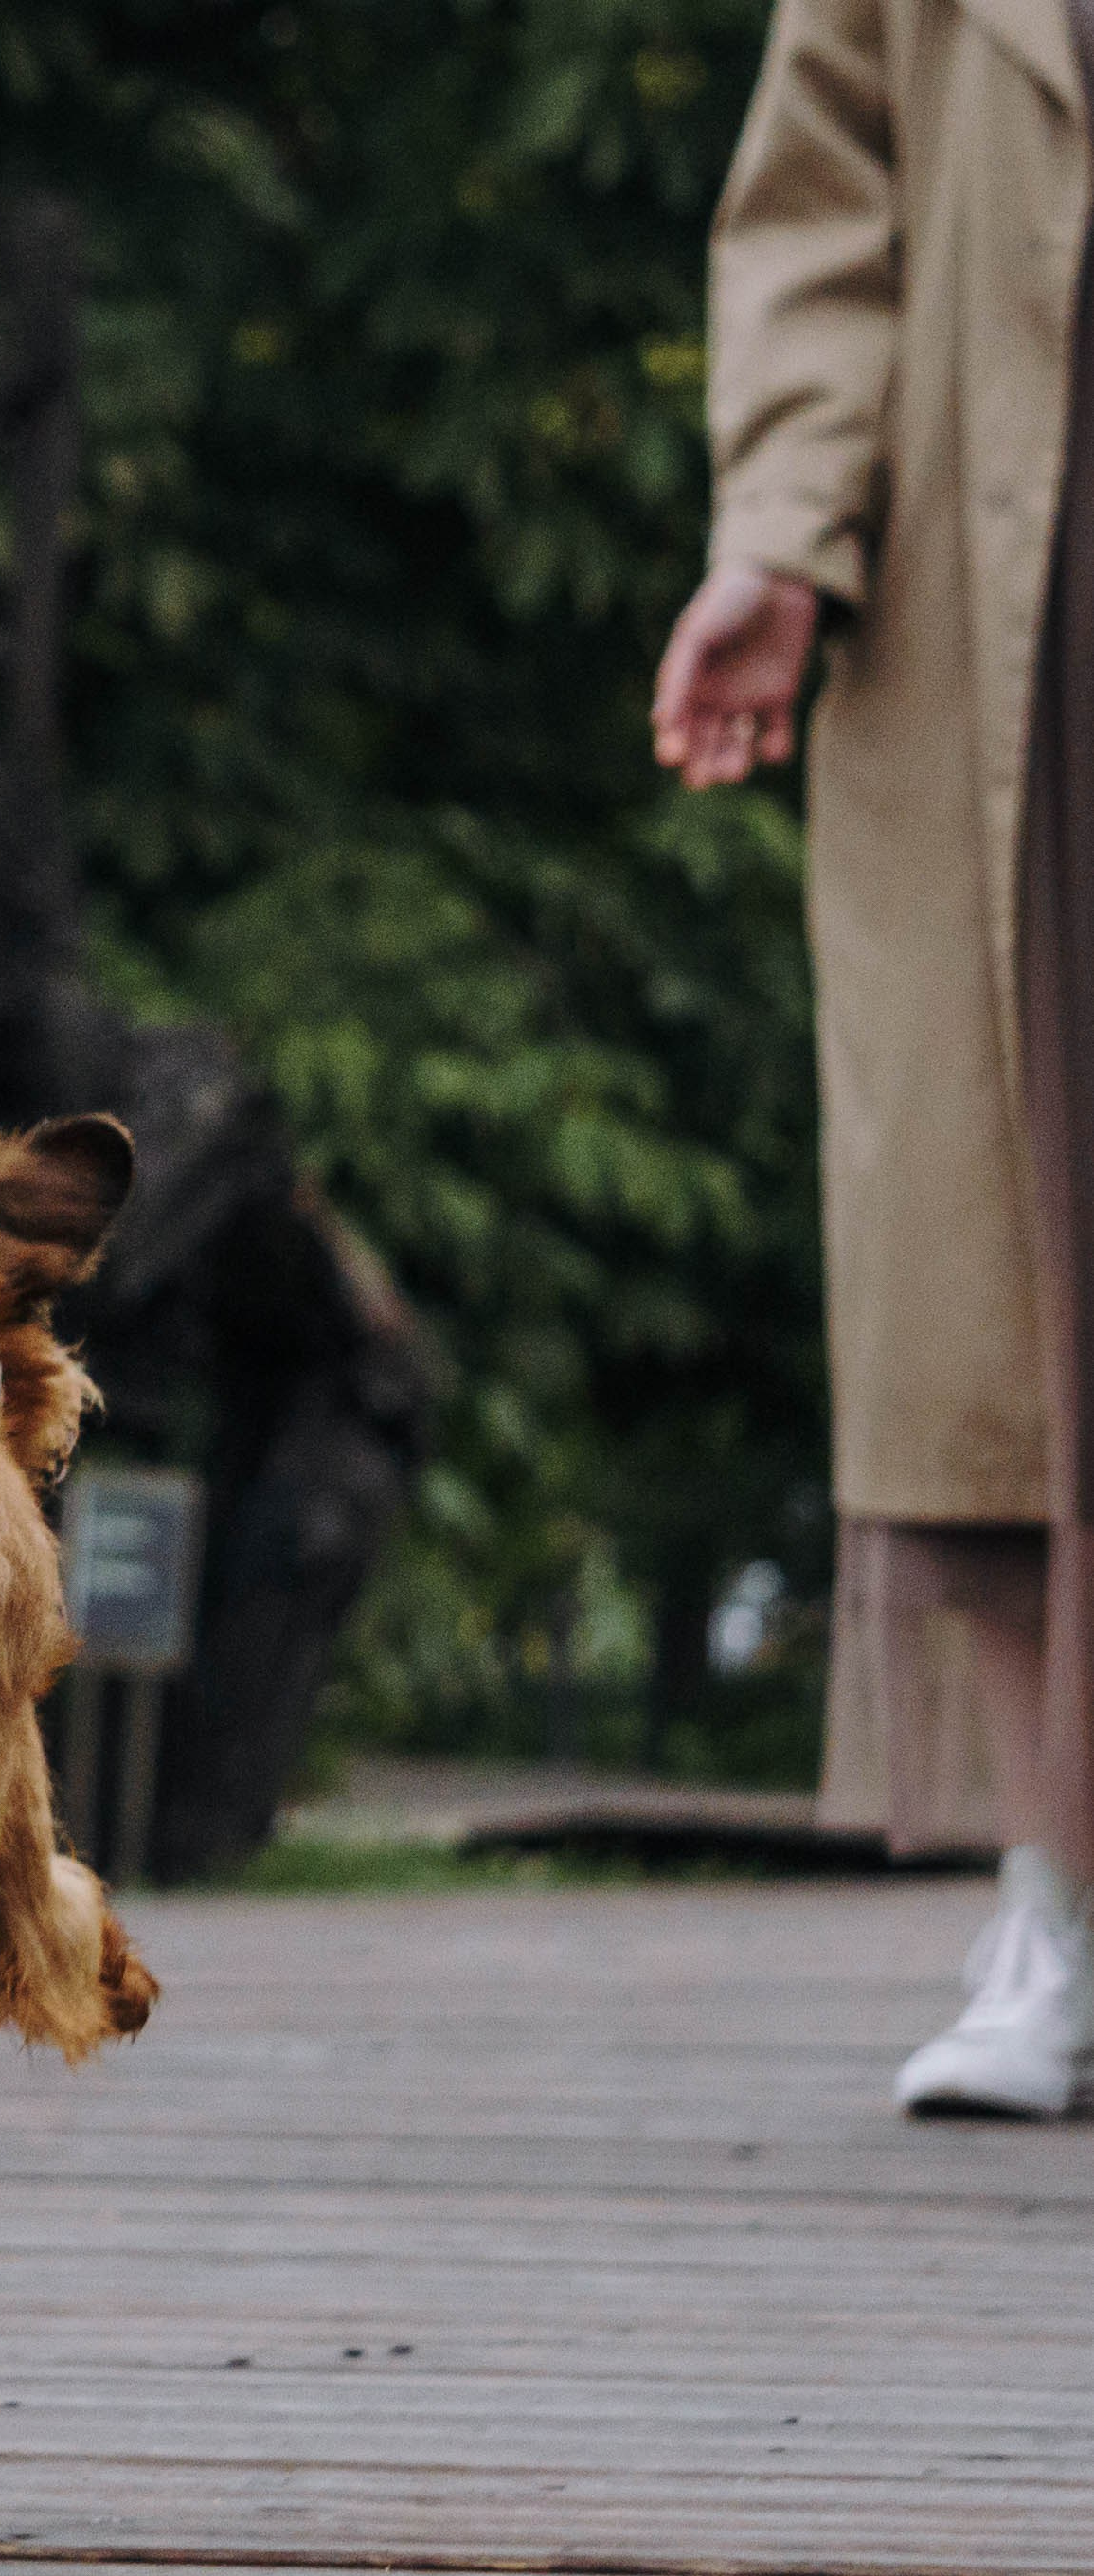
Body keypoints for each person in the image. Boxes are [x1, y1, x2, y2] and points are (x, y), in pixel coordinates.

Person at [654, 0, 1094, 2113]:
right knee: (1000, 1284)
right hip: (1001, 604)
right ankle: (1063, 1888)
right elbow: (821, 193)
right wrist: (777, 529)